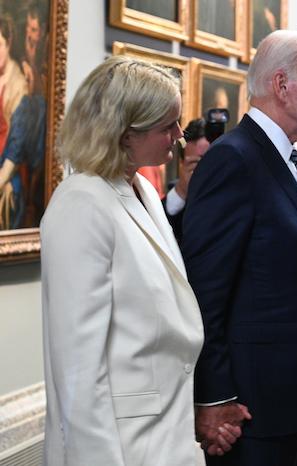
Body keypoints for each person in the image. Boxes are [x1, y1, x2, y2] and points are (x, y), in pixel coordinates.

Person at [181, 30, 297, 466]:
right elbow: (205, 292)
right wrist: (214, 396)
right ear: (282, 85)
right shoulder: (234, 160)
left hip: (294, 403)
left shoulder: (289, 162)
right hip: (249, 412)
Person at [40, 56, 205, 466]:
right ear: (125, 133)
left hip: (165, 436)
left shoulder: (144, 192)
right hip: (121, 446)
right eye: (167, 125)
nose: (179, 136)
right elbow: (78, 370)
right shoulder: (81, 203)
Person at [0, 14, 28, 229]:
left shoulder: (19, 84)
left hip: (7, 167)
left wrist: (3, 179)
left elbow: (17, 144)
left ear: (9, 43)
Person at [163, 117, 210, 241]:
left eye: (209, 159)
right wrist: (182, 191)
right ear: (183, 163)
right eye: (196, 162)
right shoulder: (178, 195)